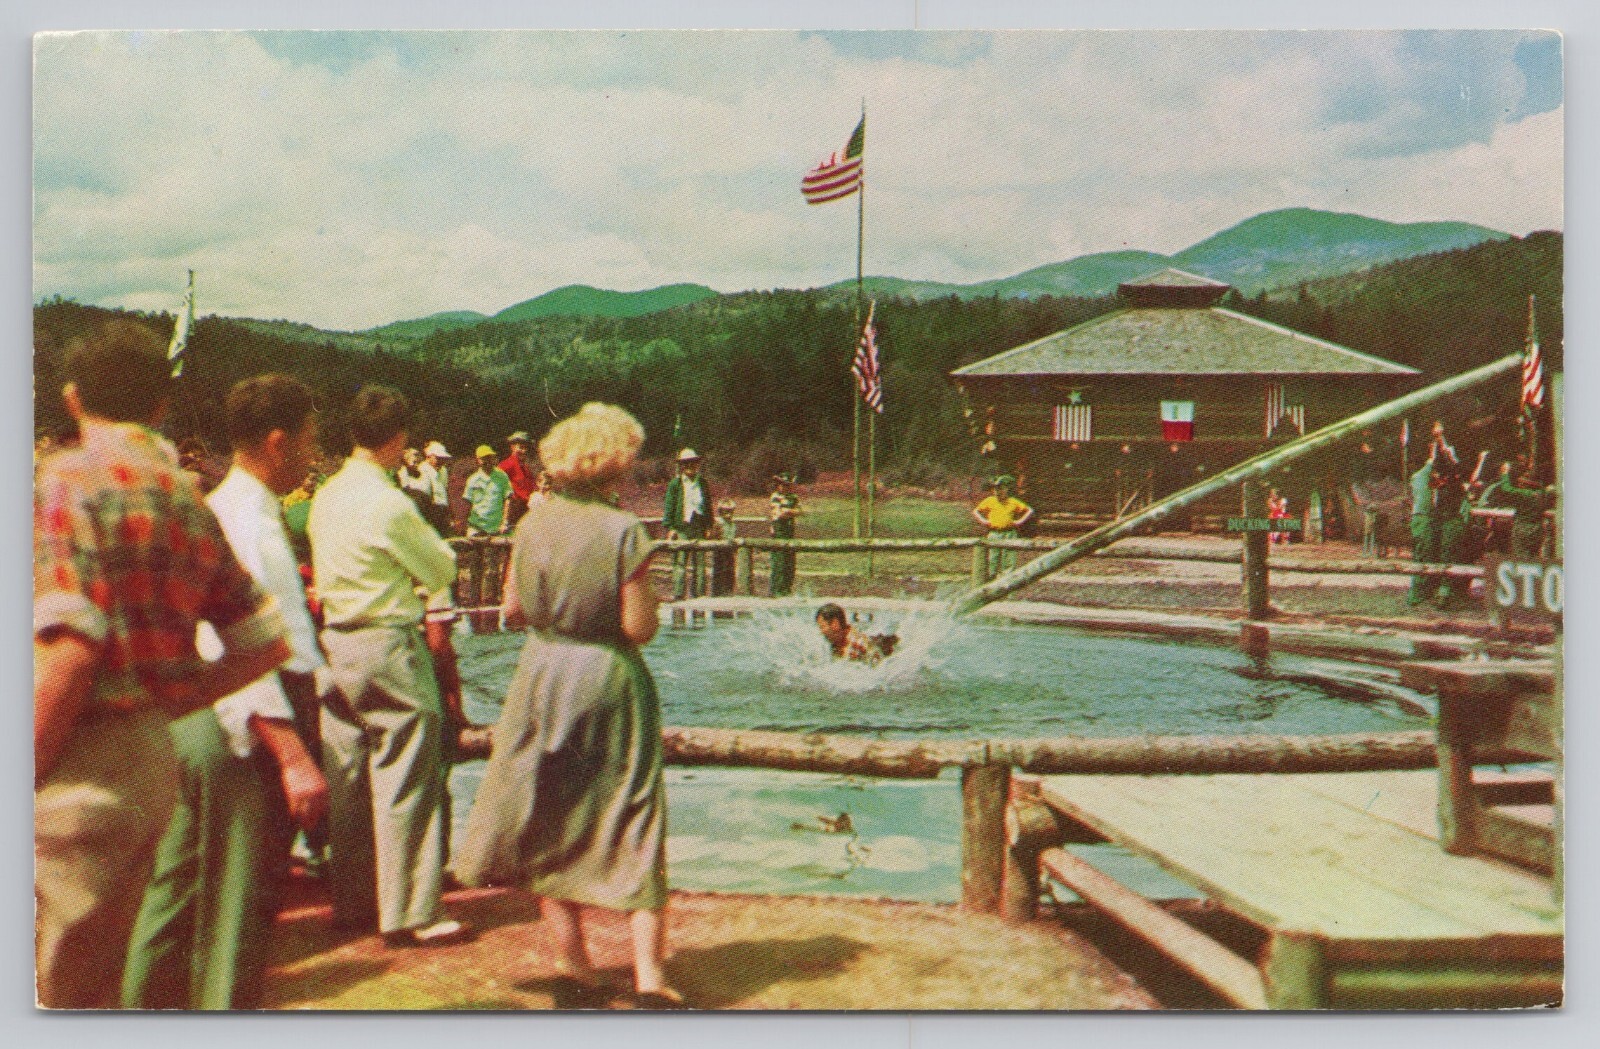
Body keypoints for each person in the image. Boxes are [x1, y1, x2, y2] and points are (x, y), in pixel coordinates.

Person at [34, 320, 291, 1008]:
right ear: (158, 403)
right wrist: (170, 694)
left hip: (67, 754)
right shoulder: (183, 491)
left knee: (47, 986)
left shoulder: (67, 478)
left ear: (72, 396)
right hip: (148, 755)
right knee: (93, 975)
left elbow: (71, 650)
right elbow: (265, 638)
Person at [455, 403, 681, 1010]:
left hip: (543, 674)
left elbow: (514, 611)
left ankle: (572, 962)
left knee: (550, 810)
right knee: (634, 813)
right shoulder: (625, 532)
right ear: (613, 467)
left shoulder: (532, 525)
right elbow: (638, 627)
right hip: (607, 674)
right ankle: (648, 978)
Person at [122, 374, 331, 1010]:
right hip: (240, 732)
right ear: (278, 442)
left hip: (203, 723)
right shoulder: (249, 522)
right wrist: (293, 756)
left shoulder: (237, 509)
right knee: (238, 908)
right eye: (309, 441)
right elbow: (235, 647)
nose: (313, 454)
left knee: (178, 894)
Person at [308, 386, 470, 948]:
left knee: (350, 776)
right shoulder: (391, 503)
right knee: (408, 770)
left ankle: (354, 899)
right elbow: (441, 565)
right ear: (399, 439)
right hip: (384, 639)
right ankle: (410, 912)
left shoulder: (326, 496)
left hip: (334, 641)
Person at [463, 444, 514, 609]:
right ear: (478, 460)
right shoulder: (473, 480)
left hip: (494, 527)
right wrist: (462, 524)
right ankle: (473, 599)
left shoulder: (502, 477)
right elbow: (466, 503)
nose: (487, 461)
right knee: (474, 564)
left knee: (492, 566)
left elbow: (508, 499)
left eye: (490, 458)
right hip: (476, 526)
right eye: (484, 459)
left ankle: (490, 599)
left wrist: (505, 521)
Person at [662, 448, 714, 600]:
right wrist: (671, 527)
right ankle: (679, 594)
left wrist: (709, 525)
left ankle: (699, 594)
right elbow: (669, 505)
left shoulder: (702, 483)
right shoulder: (676, 484)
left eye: (693, 463)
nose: (690, 466)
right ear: (682, 466)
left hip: (698, 525)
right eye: (687, 464)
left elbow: (707, 505)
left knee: (700, 562)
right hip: (682, 525)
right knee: (680, 561)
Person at [972, 475, 1033, 577]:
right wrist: (984, 520)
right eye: (995, 489)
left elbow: (1029, 511)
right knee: (992, 558)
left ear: (1006, 489)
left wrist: (1019, 521)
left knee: (1009, 558)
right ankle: (992, 577)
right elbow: (976, 511)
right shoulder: (990, 501)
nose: (997, 492)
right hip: (994, 533)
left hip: (1009, 533)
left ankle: (1007, 578)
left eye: (1000, 489)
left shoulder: (1012, 501)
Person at [815, 604, 898, 666]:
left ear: (835, 624)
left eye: (822, 626)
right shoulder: (837, 641)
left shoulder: (857, 645)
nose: (821, 631)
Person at [768, 472, 802, 597]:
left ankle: (787, 589)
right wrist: (789, 511)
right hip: (779, 531)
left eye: (787, 485)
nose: (784, 487)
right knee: (779, 561)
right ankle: (776, 590)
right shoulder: (775, 496)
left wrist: (788, 511)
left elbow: (800, 511)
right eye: (782, 485)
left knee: (789, 562)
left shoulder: (793, 497)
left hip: (789, 530)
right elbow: (778, 513)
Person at [416, 440, 454, 536]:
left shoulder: (443, 470)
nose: (442, 460)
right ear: (429, 456)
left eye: (443, 458)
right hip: (432, 512)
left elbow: (444, 490)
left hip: (443, 511)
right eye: (438, 458)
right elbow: (424, 496)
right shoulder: (423, 469)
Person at [500, 431, 537, 528]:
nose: (524, 451)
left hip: (526, 507)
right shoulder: (507, 464)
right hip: (514, 508)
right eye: (520, 447)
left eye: (526, 448)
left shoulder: (525, 467)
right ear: (512, 447)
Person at [711, 500, 738, 597]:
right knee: (719, 570)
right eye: (726, 511)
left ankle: (728, 590)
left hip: (729, 551)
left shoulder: (732, 524)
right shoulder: (718, 523)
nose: (729, 514)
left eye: (731, 512)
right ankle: (718, 591)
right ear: (721, 512)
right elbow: (714, 536)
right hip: (720, 551)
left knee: (730, 570)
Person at [397, 447, 432, 518]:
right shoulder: (402, 473)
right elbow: (405, 491)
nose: (417, 460)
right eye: (414, 459)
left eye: (417, 457)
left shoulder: (422, 472)